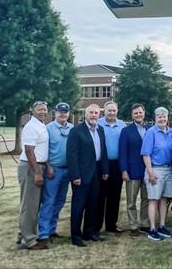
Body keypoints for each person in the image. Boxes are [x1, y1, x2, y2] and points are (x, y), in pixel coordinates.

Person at [67, 103, 109, 247]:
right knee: (79, 206)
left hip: (97, 173)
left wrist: (105, 170)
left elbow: (103, 152)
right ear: (85, 114)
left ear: (99, 115)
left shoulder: (101, 130)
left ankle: (89, 232)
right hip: (81, 174)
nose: (93, 115)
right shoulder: (76, 131)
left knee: (93, 205)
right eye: (91, 112)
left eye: (96, 113)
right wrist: (75, 176)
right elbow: (71, 155)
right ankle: (76, 236)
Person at [38, 102, 74, 244]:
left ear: (69, 113)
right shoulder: (48, 129)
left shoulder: (72, 128)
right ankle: (43, 234)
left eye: (65, 112)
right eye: (60, 112)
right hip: (53, 171)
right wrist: (48, 167)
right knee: (49, 201)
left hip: (68, 170)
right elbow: (43, 150)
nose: (63, 114)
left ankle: (52, 230)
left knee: (60, 201)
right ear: (55, 113)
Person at [17, 101, 50, 250]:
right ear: (32, 110)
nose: (42, 111)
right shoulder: (31, 126)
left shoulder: (41, 124)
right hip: (31, 167)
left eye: (44, 109)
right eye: (39, 109)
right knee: (29, 205)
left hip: (39, 165)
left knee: (31, 204)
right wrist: (37, 172)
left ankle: (22, 235)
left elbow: (41, 149)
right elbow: (29, 151)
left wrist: (47, 166)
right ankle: (29, 241)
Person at [141, 106, 172, 242]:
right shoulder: (151, 133)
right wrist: (150, 172)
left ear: (168, 118)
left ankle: (162, 226)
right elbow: (146, 154)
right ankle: (152, 229)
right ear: (155, 118)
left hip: (169, 169)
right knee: (153, 199)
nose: (162, 119)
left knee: (164, 200)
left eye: (164, 116)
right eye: (159, 117)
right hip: (155, 169)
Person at [119, 103, 150, 237]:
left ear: (144, 113)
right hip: (132, 171)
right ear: (132, 115)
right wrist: (124, 170)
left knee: (146, 199)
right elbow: (122, 152)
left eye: (140, 112)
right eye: (135, 113)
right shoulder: (126, 131)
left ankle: (144, 223)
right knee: (131, 200)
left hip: (147, 170)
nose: (138, 115)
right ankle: (133, 225)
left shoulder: (150, 129)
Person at [97, 101, 126, 233]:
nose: (112, 113)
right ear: (104, 111)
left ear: (117, 111)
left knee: (115, 196)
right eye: (109, 110)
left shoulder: (122, 125)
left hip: (117, 164)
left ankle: (111, 225)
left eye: (114, 111)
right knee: (100, 196)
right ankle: (96, 226)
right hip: (102, 164)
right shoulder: (98, 124)